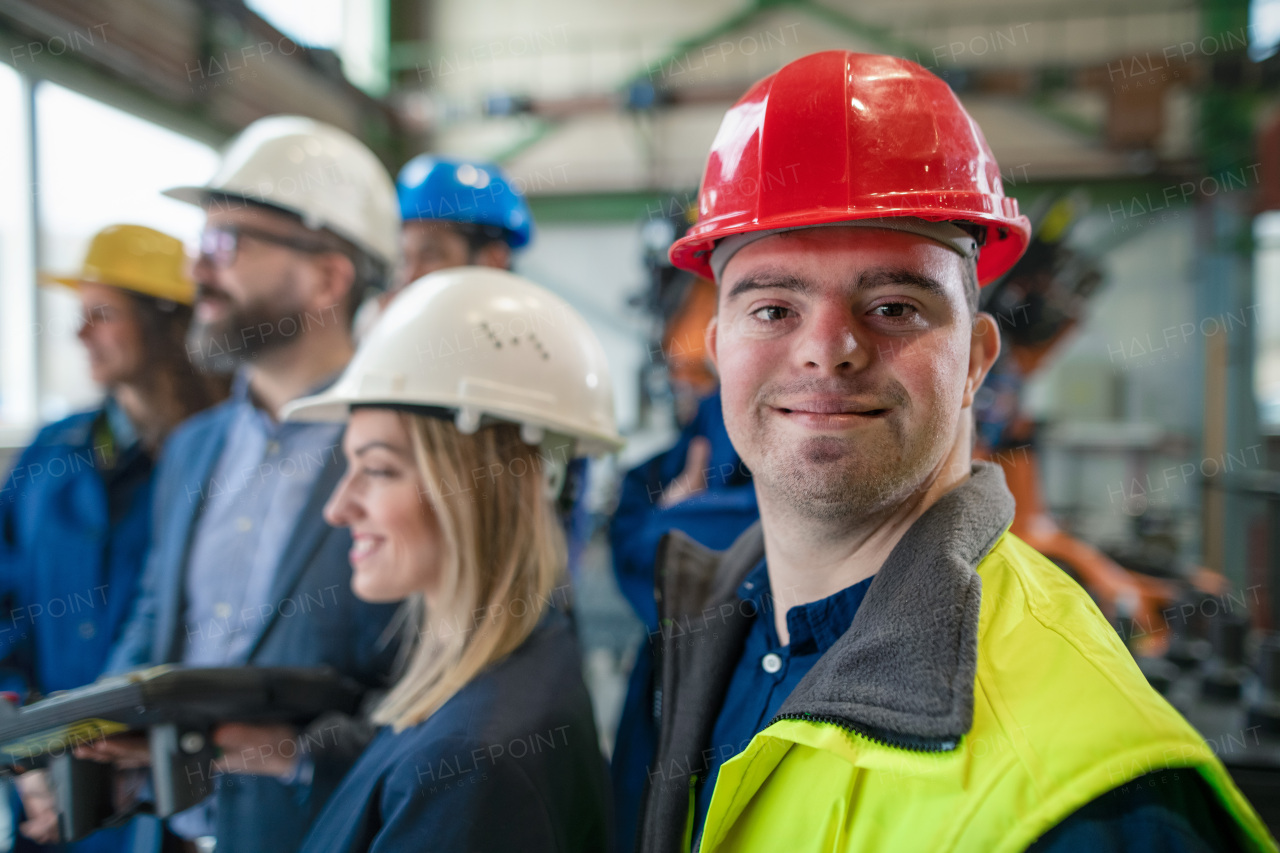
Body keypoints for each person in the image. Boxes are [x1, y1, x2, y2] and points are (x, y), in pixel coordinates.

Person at [635, 51, 1277, 853]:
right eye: (773, 308)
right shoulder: (711, 627)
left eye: (894, 305)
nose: (827, 349)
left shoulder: (1094, 803)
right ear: (718, 346)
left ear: (976, 358)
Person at [77, 117, 403, 853]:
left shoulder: (405, 453)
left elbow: (435, 696)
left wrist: (278, 751)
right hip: (174, 834)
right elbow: (157, 621)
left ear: (328, 277)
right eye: (202, 242)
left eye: (228, 244)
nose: (197, 270)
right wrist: (84, 734)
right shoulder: (193, 450)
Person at [275, 266, 615, 852]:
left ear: (477, 487)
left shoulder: (470, 763)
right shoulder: (517, 665)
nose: (337, 508)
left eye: (378, 470)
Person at [0, 224, 228, 852]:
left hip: (171, 790)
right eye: (80, 316)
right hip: (46, 784)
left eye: (101, 314)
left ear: (164, 324)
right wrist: (18, 741)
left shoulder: (225, 458)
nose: (80, 334)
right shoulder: (51, 452)